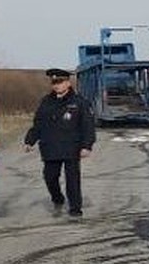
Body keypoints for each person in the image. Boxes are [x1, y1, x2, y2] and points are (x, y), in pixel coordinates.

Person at [24, 68, 96, 219]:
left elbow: (87, 126)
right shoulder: (46, 101)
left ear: (68, 83)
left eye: (60, 82)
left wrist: (86, 146)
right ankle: (57, 198)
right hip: (50, 146)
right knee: (50, 177)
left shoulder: (79, 102)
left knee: (72, 179)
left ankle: (75, 209)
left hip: (71, 147)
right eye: (54, 82)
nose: (56, 85)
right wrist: (30, 140)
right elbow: (38, 123)